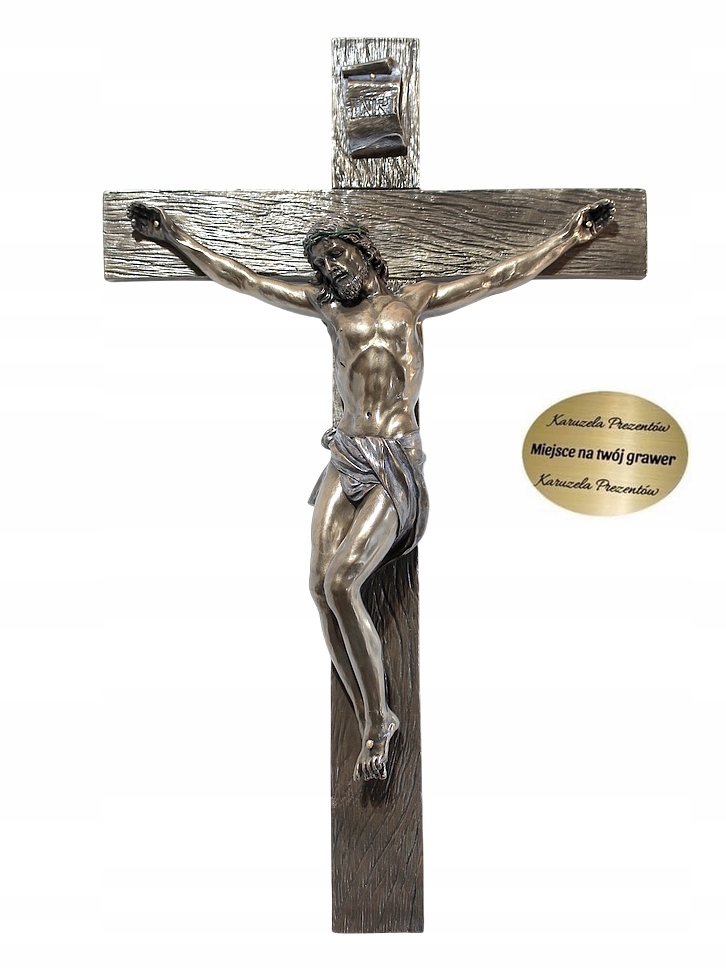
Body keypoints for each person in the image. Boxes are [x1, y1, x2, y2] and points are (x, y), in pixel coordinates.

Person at [127, 199, 614, 780]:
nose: (330, 269)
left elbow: (496, 276)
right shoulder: (328, 309)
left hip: (394, 458)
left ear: (366, 254)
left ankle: (379, 720)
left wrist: (569, 238)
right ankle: (370, 719)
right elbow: (247, 280)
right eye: (321, 263)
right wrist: (174, 236)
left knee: (342, 581)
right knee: (318, 588)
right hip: (347, 452)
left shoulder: (416, 301)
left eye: (337, 254)